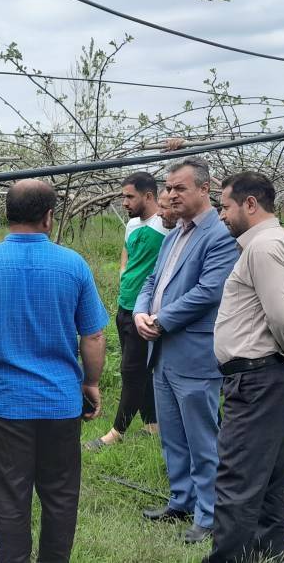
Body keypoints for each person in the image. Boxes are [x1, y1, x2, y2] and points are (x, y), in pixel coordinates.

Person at [0, 179, 109, 563]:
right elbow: (94, 334)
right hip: (60, 405)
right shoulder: (73, 265)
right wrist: (92, 382)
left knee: (10, 498)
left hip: (6, 407)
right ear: (49, 217)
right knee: (61, 497)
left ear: (8, 214)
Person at [205, 172, 284, 563]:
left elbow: (281, 315)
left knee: (238, 477)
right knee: (271, 476)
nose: (222, 215)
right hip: (273, 377)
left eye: (225, 206)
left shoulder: (262, 248)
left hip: (256, 378)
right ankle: (269, 555)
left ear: (250, 204)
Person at [133, 157, 238, 544]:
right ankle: (181, 500)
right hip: (162, 352)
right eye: (168, 187)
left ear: (204, 190)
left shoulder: (220, 234)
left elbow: (210, 291)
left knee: (202, 439)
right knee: (173, 436)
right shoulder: (176, 233)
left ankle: (208, 515)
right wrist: (142, 311)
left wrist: (160, 320)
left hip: (195, 354)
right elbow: (151, 280)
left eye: (179, 188)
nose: (170, 194)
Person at [85, 172, 170, 451]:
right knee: (138, 369)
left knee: (131, 370)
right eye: (123, 196)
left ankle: (116, 432)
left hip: (144, 311)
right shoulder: (132, 224)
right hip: (125, 304)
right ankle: (152, 424)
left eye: (129, 196)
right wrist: (124, 276)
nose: (124, 202)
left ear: (149, 196)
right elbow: (126, 256)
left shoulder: (165, 224)